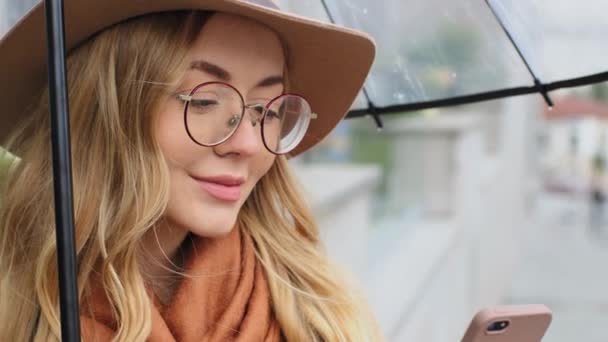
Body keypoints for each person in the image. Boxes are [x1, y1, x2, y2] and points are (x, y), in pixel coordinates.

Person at [0, 0, 382, 341]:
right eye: (203, 101)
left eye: (269, 110)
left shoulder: (321, 314)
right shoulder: (14, 310)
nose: (247, 144)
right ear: (108, 109)